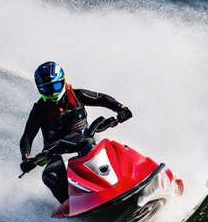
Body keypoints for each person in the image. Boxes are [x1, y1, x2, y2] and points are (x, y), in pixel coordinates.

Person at [20, 61, 132, 203]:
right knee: (50, 174)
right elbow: (28, 135)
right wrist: (26, 157)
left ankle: (118, 182)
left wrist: (121, 109)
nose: (52, 93)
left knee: (94, 150)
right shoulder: (39, 110)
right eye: (46, 89)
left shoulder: (77, 95)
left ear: (63, 81)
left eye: (55, 86)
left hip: (83, 141)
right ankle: (71, 205)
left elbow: (102, 99)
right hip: (54, 151)